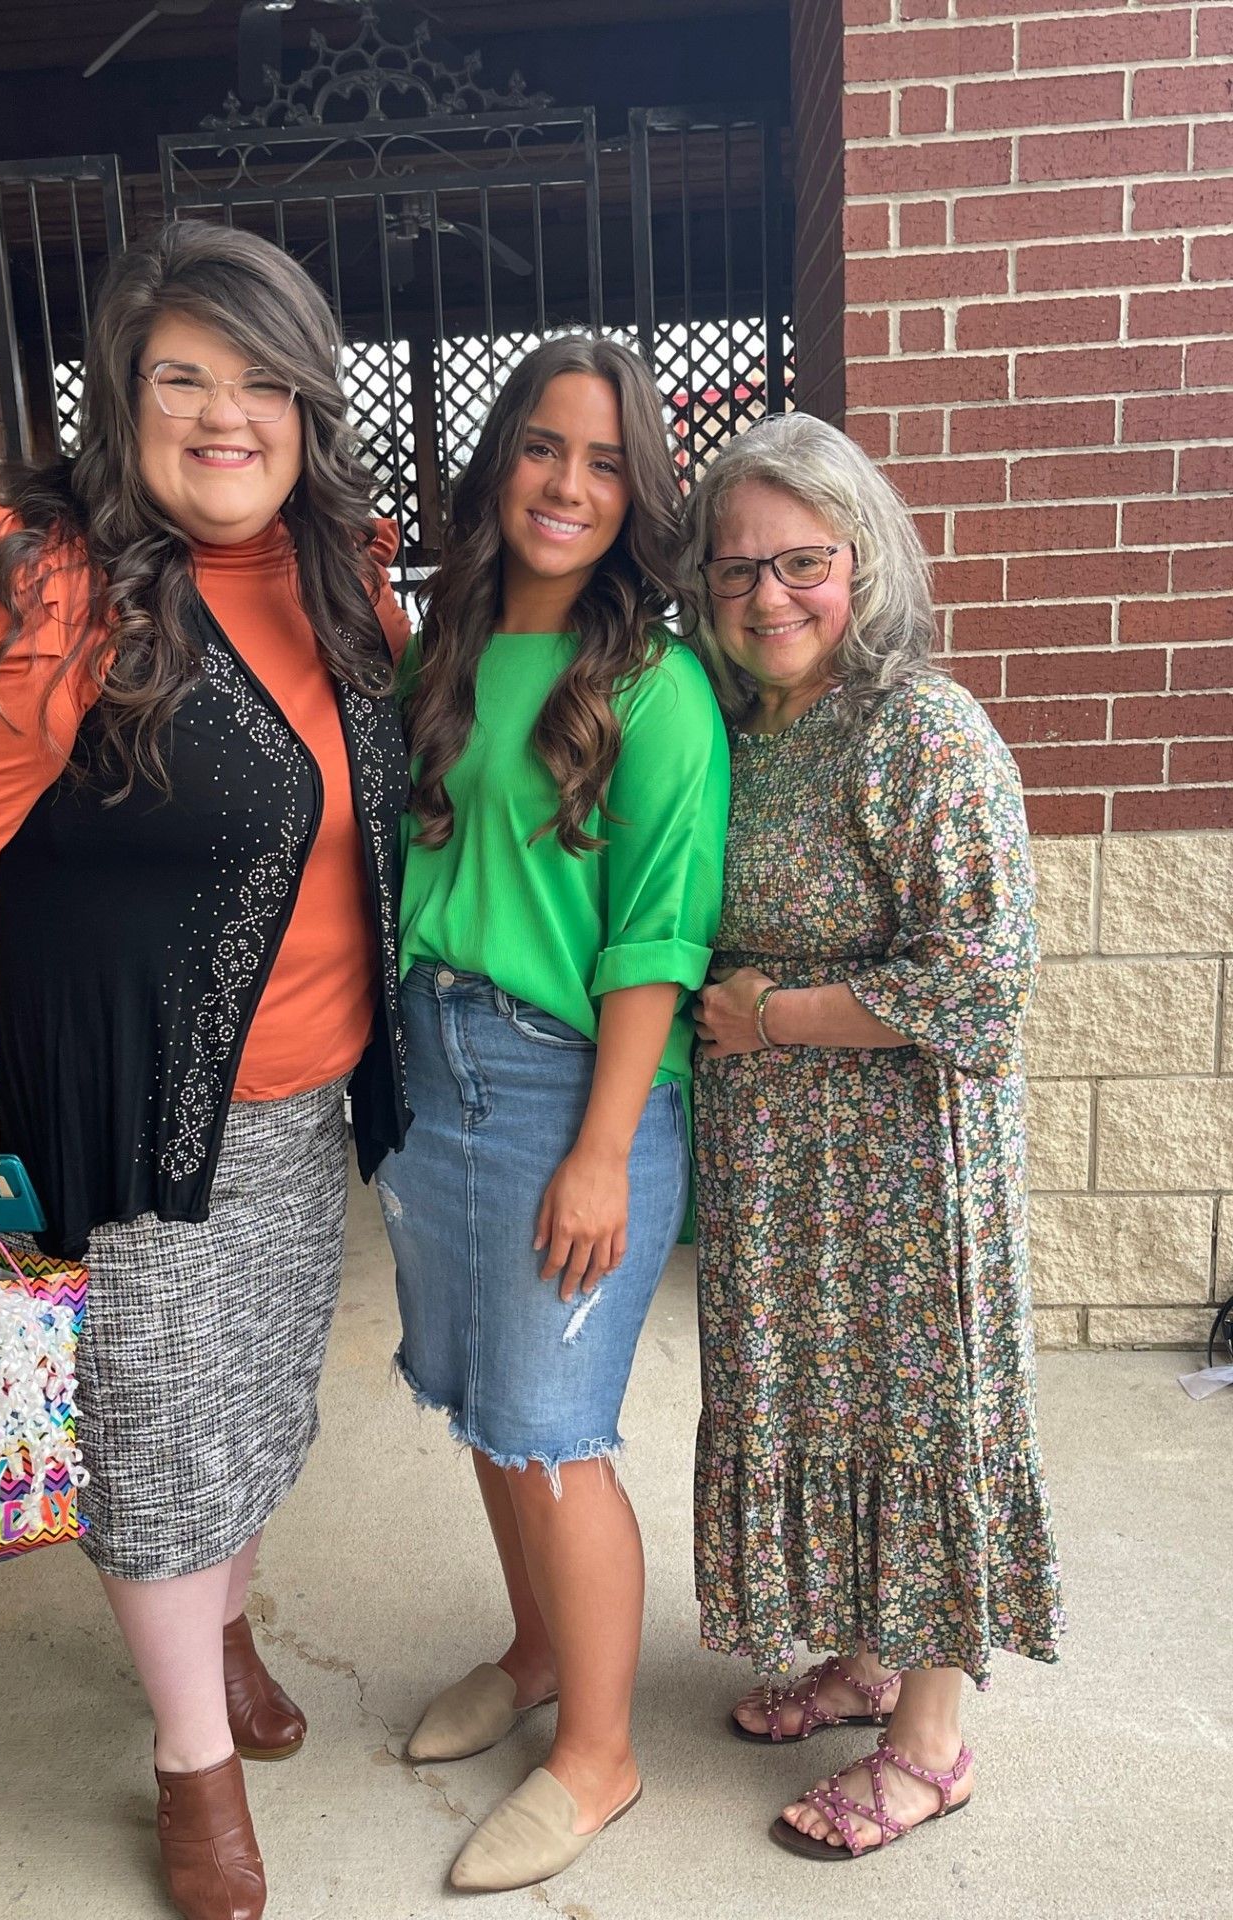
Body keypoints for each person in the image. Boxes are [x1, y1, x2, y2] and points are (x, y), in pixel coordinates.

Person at [0, 221, 411, 1920]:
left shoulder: (334, 570)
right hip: (130, 1094)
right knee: (159, 1433)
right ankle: (193, 1766)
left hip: (306, 1094)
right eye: (183, 377)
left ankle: (225, 1634)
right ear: (121, 396)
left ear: (310, 404)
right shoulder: (38, 574)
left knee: (255, 1401)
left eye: (261, 382)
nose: (225, 416)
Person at [686, 411, 1062, 1861]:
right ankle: (858, 1656)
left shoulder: (922, 728)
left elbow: (986, 978)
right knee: (816, 1410)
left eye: (803, 563)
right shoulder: (737, 734)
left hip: (904, 1163)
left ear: (866, 562)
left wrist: (768, 1020)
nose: (770, 598)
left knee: (921, 1421)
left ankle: (929, 1741)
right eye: (738, 572)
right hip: (779, 1168)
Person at [380, 336, 729, 1893]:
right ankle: (534, 1654)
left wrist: (602, 1149)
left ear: (637, 489)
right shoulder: (440, 648)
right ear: (497, 462)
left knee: (556, 1431)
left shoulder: (656, 688)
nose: (567, 485)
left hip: (562, 1087)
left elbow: (657, 934)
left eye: (602, 461)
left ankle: (600, 1752)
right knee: (480, 1405)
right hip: (430, 1063)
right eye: (540, 448)